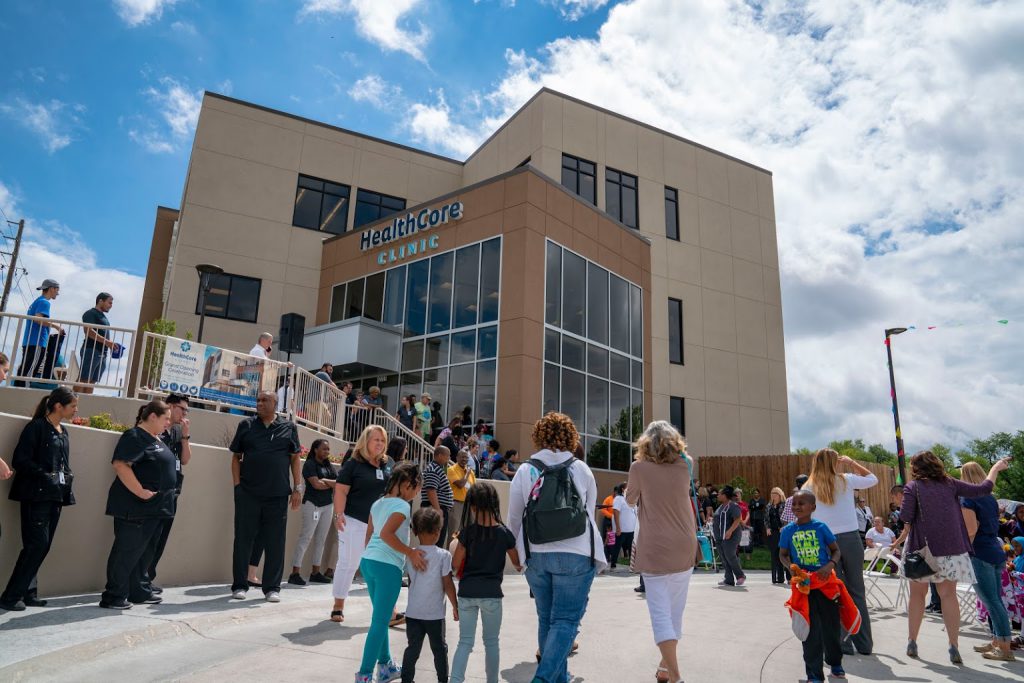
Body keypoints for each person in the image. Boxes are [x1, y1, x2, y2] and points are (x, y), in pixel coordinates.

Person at [507, 412, 606, 683]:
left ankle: (553, 678)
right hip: (576, 554)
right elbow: (588, 512)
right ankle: (544, 679)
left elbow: (514, 518)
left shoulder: (526, 470)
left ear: (538, 436)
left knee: (546, 619)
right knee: (564, 621)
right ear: (571, 437)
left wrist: (516, 556)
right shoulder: (582, 469)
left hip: (536, 554)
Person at [901, 451, 1010, 662]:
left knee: (917, 597)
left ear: (916, 468)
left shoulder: (912, 487)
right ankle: (953, 646)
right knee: (949, 596)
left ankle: (912, 641)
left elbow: (905, 516)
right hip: (952, 550)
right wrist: (995, 468)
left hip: (922, 551)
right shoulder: (951, 484)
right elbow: (984, 488)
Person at [625, 421, 698, 683]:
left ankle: (676, 676)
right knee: (675, 612)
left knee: (660, 614)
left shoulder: (638, 468)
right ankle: (665, 668)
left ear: (645, 442)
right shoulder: (686, 464)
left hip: (655, 546)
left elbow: (630, 500)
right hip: (685, 544)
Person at [0, 387, 77, 611]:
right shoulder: (36, 428)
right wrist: (46, 476)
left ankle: (29, 592)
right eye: (73, 406)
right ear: (58, 406)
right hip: (35, 496)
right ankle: (10, 596)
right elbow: (20, 460)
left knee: (43, 546)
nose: (76, 410)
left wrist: (65, 478)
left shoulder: (63, 431)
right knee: (36, 545)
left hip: (55, 496)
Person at [99, 400, 178, 609]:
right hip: (136, 508)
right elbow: (120, 464)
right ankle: (113, 596)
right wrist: (141, 492)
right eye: (165, 418)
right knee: (127, 551)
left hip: (156, 508)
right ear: (152, 416)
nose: (169, 423)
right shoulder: (134, 436)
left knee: (145, 553)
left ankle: (139, 591)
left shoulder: (156, 438)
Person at [354, 462, 426, 683]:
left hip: (369, 562)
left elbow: (370, 536)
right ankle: (364, 675)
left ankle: (385, 667)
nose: (415, 494)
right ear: (406, 485)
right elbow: (386, 534)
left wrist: (370, 559)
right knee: (379, 622)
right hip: (387, 568)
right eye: (415, 489)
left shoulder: (377, 503)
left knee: (381, 618)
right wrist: (410, 552)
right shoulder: (402, 506)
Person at [802, 448, 877, 655]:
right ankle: (864, 643)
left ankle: (843, 643)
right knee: (857, 591)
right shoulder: (846, 480)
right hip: (851, 540)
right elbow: (873, 479)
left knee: (834, 592)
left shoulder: (808, 486)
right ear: (836, 462)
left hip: (825, 543)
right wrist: (852, 462)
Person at [229, 390, 302, 602]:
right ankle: (240, 585)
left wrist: (297, 488)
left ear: (275, 403)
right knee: (243, 540)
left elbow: (295, 459)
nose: (259, 403)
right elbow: (236, 458)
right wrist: (237, 487)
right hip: (248, 494)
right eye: (258, 400)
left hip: (277, 495)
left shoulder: (289, 427)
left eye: (265, 400)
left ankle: (272, 588)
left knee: (275, 542)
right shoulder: (246, 426)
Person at [449, 482, 520, 683]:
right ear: (494, 504)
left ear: (472, 506)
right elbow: (516, 563)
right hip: (492, 595)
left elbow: (455, 565)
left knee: (465, 642)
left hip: (467, 593)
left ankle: (455, 680)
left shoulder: (467, 533)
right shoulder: (504, 533)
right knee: (491, 643)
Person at [779, 490, 848, 683]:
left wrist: (830, 565)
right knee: (809, 632)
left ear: (813, 507)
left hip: (826, 586)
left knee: (831, 629)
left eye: (802, 503)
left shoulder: (821, 527)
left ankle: (835, 664)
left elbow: (836, 551)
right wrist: (790, 568)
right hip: (803, 587)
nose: (797, 507)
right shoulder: (788, 531)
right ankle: (814, 675)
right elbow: (782, 554)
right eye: (794, 504)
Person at [332, 424, 393, 623]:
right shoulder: (353, 464)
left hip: (379, 526)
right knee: (349, 564)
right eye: (376, 439)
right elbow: (341, 490)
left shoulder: (386, 465)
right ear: (365, 441)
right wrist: (338, 514)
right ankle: (338, 605)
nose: (380, 444)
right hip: (354, 521)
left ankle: (388, 613)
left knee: (381, 567)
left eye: (383, 440)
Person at [959, 462, 1016, 661]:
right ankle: (997, 641)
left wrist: (963, 551)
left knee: (991, 601)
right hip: (995, 551)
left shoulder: (968, 498)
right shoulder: (990, 498)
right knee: (995, 600)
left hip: (980, 553)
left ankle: (1004, 647)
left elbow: (971, 530)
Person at [401, 507, 458, 683]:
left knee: (412, 649)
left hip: (413, 613)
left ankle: (406, 680)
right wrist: (456, 606)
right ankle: (442, 680)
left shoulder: (411, 554)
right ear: (437, 532)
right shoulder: (443, 556)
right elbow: (447, 583)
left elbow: (411, 581)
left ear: (416, 531)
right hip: (434, 614)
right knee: (439, 649)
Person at [146, 393, 191, 593]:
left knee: (160, 540)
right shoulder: (155, 431)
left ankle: (147, 578)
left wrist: (185, 436)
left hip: (172, 494)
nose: (185, 413)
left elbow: (186, 460)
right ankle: (138, 580)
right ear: (171, 406)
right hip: (156, 494)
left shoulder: (175, 433)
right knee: (149, 539)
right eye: (183, 409)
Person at [288, 439, 336, 586]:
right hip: (312, 505)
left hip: (328, 505)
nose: (327, 452)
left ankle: (315, 572)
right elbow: (316, 485)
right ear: (315, 449)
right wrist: (329, 483)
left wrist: (324, 481)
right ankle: (294, 573)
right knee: (306, 538)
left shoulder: (329, 465)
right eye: (324, 449)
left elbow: (338, 483)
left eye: (328, 449)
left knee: (321, 539)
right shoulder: (309, 465)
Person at [14, 279, 62, 387]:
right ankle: (23, 393)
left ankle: (17, 389)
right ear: (51, 289)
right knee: (29, 373)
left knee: (24, 370)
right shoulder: (44, 302)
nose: (57, 293)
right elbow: (38, 319)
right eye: (57, 290)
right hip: (37, 342)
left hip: (29, 341)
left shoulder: (37, 301)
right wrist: (56, 326)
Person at [77, 292, 117, 393]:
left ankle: (85, 405)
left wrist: (110, 345)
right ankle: (71, 402)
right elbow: (88, 331)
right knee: (84, 379)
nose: (111, 306)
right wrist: (107, 342)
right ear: (100, 301)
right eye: (109, 303)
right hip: (91, 350)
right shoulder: (90, 313)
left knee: (92, 381)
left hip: (102, 353)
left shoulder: (103, 317)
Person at [421, 445, 454, 546]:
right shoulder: (433, 469)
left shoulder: (436, 468)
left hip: (437, 508)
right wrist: (438, 509)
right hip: (435, 509)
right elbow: (431, 490)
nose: (448, 459)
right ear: (439, 455)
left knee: (437, 541)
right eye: (447, 456)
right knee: (434, 541)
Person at [713, 485, 745, 587]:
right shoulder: (720, 507)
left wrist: (730, 531)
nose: (717, 495)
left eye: (719, 493)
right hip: (720, 537)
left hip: (731, 536)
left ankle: (740, 576)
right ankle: (729, 579)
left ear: (725, 495)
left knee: (729, 554)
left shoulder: (733, 506)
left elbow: (738, 518)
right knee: (723, 557)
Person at [447, 448, 476, 539]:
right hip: (456, 504)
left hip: (469, 504)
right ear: (457, 458)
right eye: (462, 457)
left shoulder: (470, 472)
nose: (464, 459)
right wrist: (467, 473)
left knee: (470, 530)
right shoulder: (451, 470)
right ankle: (451, 552)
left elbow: (473, 488)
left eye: (466, 457)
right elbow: (460, 484)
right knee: (454, 532)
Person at [610, 482, 637, 570]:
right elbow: (616, 512)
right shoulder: (618, 499)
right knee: (617, 547)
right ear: (623, 489)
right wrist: (618, 527)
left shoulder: (631, 499)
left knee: (631, 548)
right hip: (622, 530)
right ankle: (613, 565)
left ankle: (631, 565)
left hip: (631, 529)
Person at [766, 486, 789, 584]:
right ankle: (777, 578)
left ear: (780, 495)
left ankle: (789, 577)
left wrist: (784, 526)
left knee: (784, 554)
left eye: (775, 493)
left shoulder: (784, 505)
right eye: (772, 493)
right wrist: (767, 528)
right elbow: (766, 518)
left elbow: (787, 518)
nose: (773, 495)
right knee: (774, 555)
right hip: (773, 532)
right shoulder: (769, 506)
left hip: (783, 532)